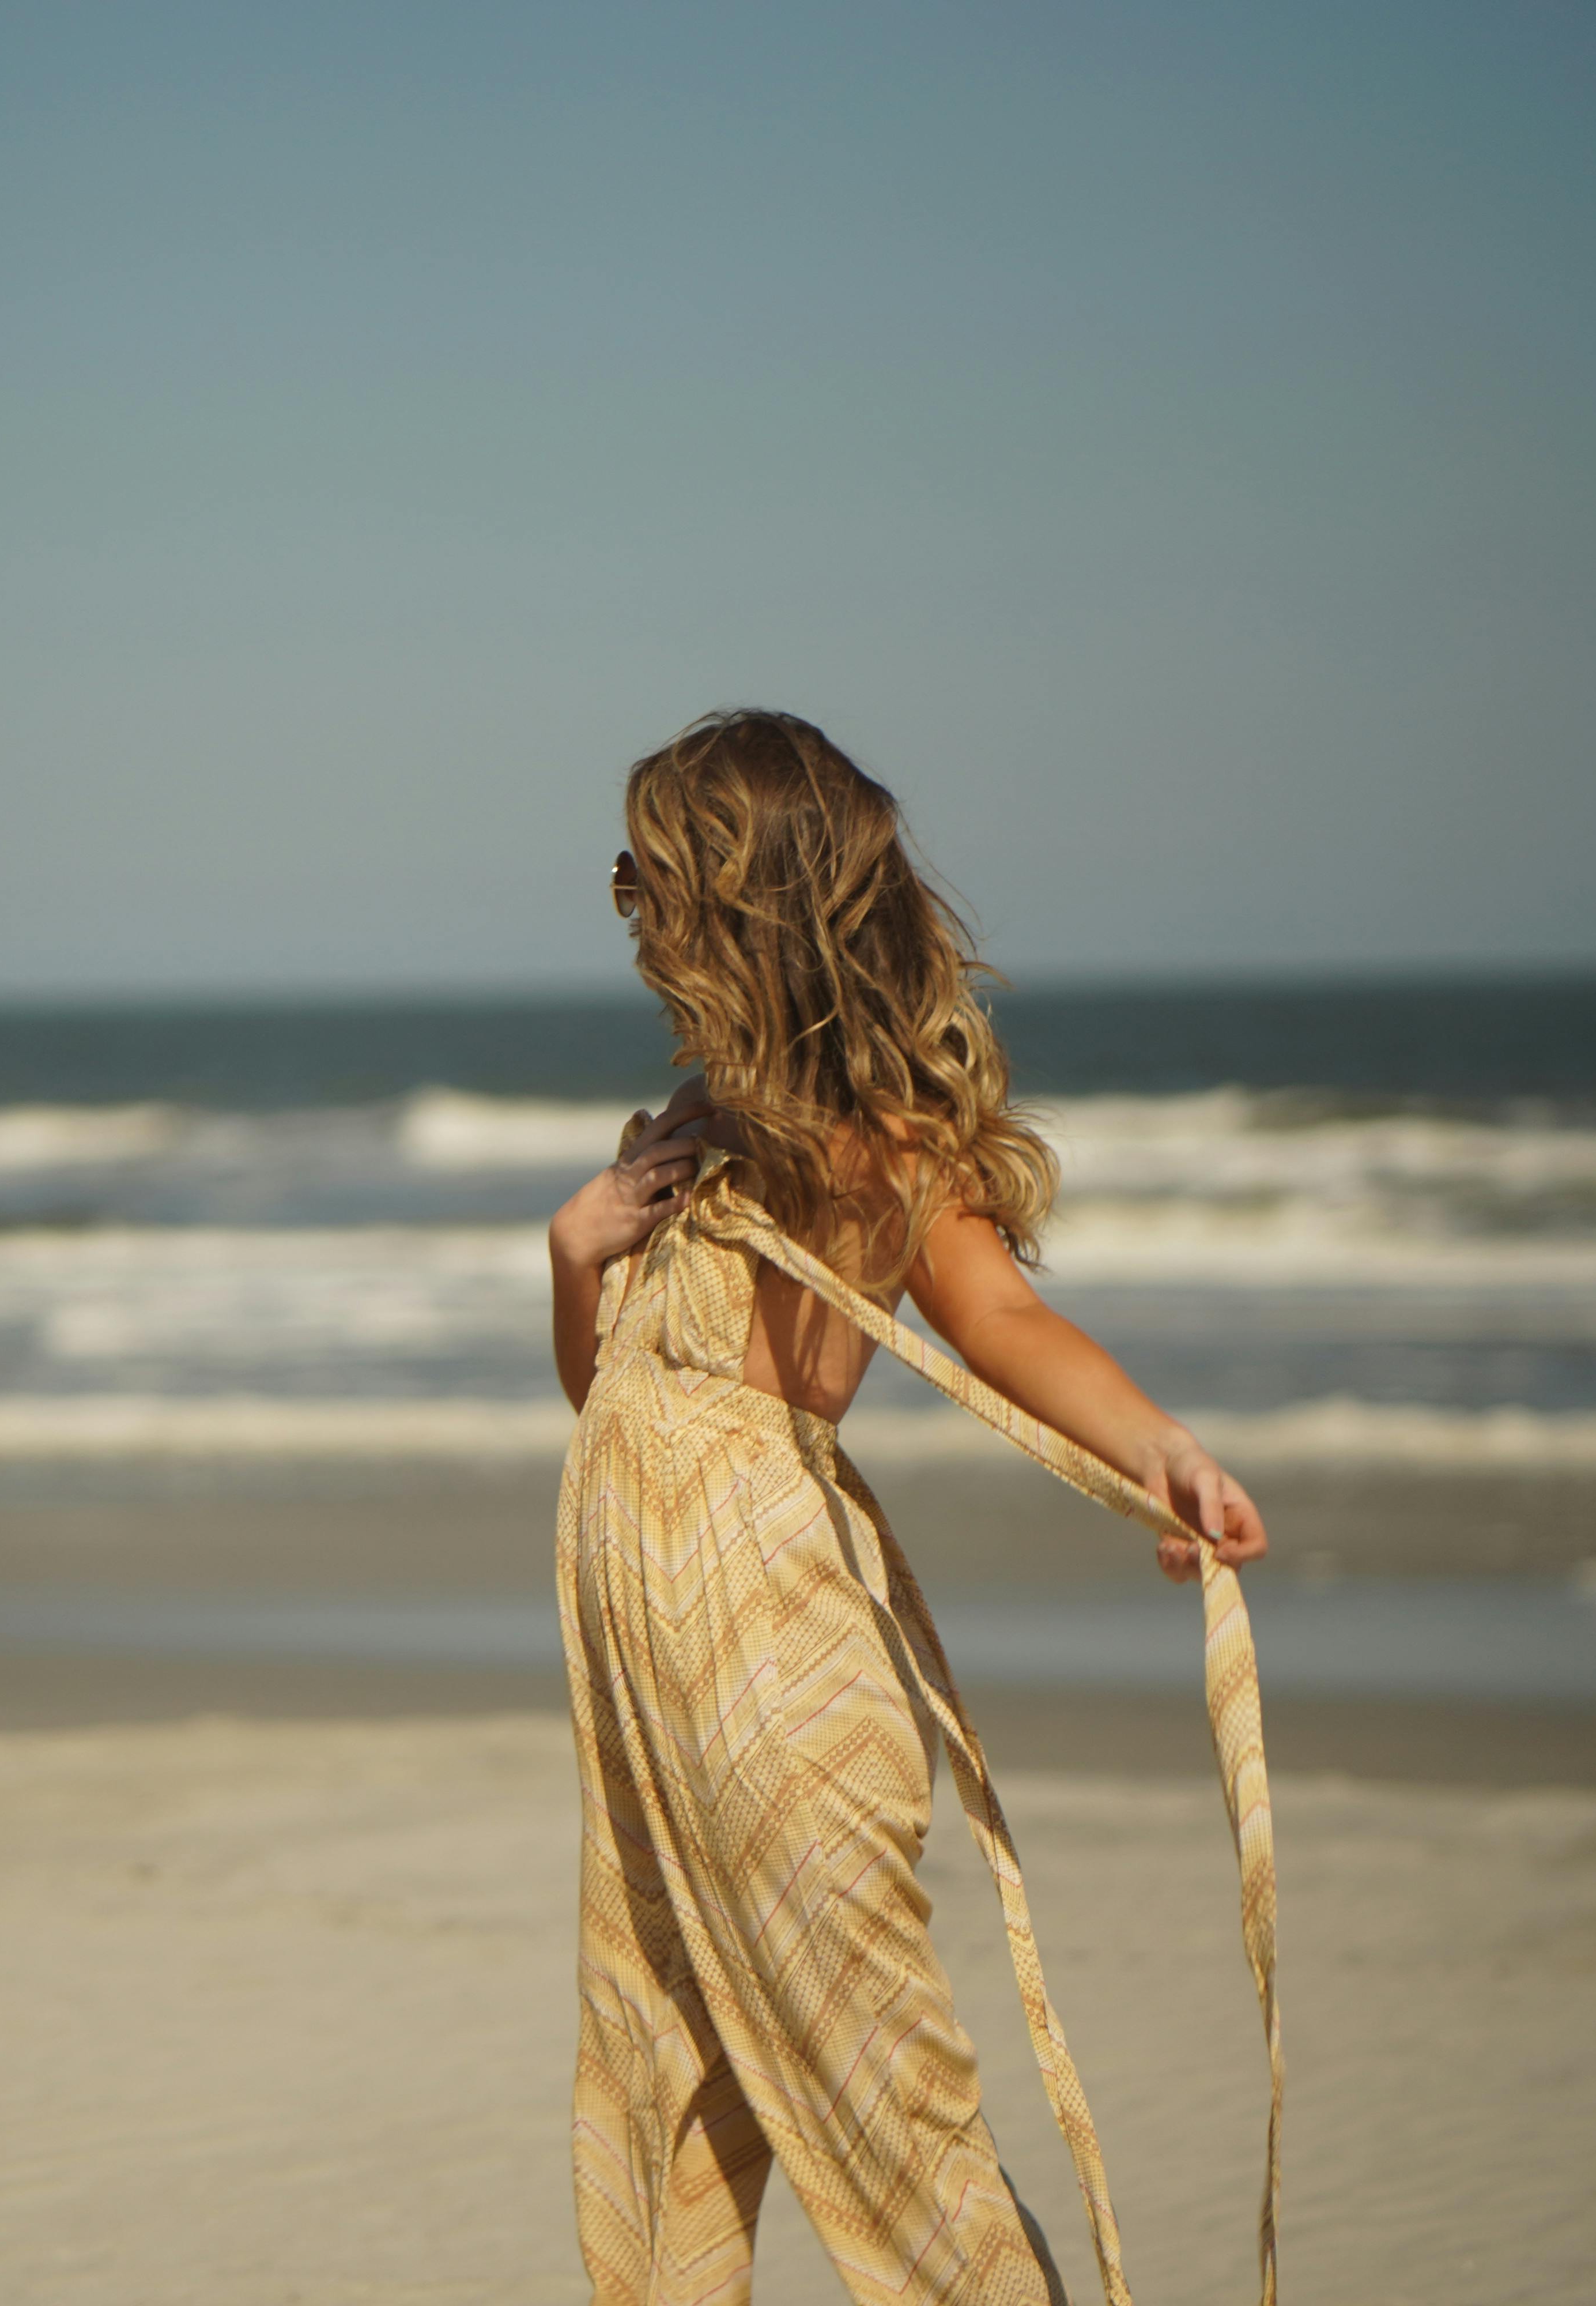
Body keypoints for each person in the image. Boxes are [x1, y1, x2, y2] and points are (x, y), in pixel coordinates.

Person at [548, 710, 1270, 2306]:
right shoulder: (675, 1141)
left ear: (749, 915)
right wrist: (573, 1253)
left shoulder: (872, 1145)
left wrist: (1165, 1455)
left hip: (773, 1678)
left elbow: (1001, 1324)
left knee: (889, 2109)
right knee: (674, 2077)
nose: (633, 914)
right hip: (651, 1698)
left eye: (660, 884)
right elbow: (608, 1404)